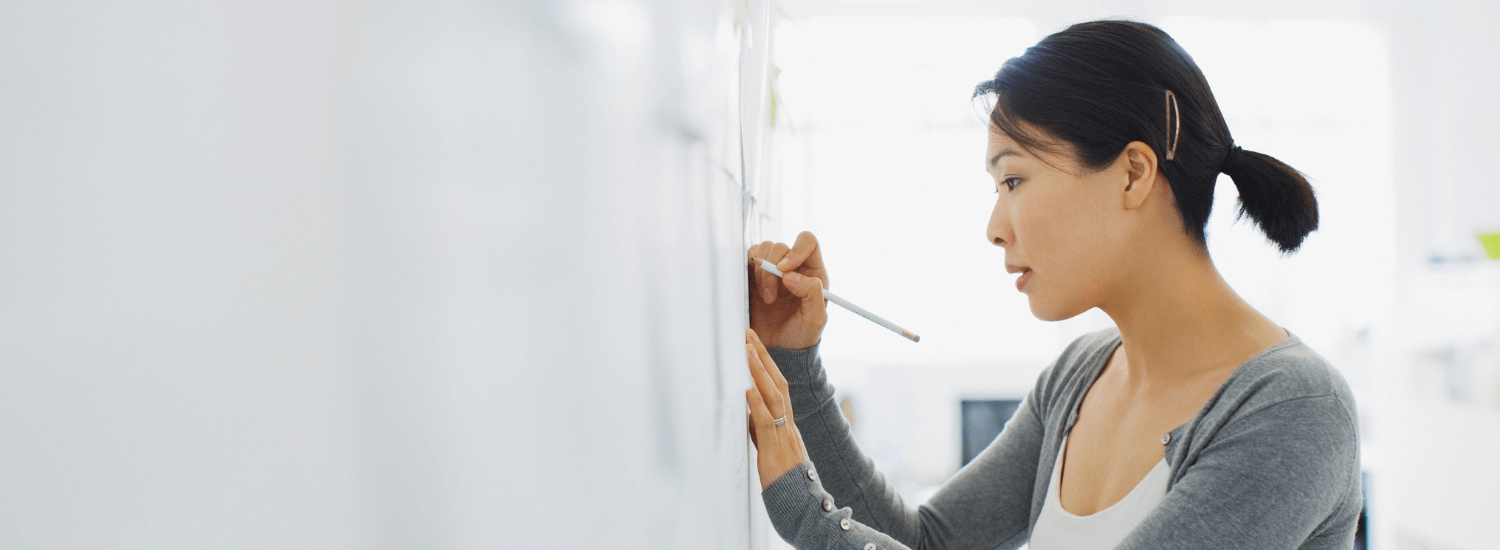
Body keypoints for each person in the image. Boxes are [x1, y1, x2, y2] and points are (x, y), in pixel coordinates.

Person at [741, 19, 1362, 550]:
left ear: (1133, 174)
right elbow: (928, 541)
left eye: (1013, 181)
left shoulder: (1294, 408)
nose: (994, 228)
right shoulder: (1079, 373)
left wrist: (805, 513)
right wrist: (796, 362)